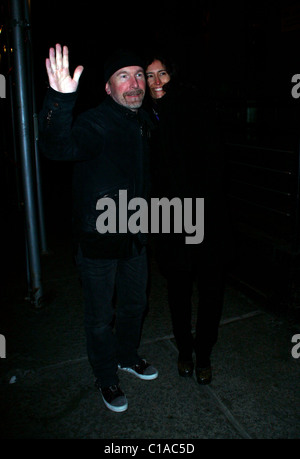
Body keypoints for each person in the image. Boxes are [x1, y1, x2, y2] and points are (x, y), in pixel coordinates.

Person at [38, 44, 158, 413]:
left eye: (139, 75)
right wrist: (59, 100)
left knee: (135, 305)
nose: (134, 83)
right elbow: (58, 147)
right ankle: (105, 374)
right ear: (108, 87)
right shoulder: (95, 122)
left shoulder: (146, 120)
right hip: (98, 238)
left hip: (136, 233)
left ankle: (126, 356)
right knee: (99, 316)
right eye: (123, 76)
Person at [145, 53, 232, 384]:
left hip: (205, 215)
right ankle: (184, 350)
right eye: (150, 75)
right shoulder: (146, 118)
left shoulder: (192, 105)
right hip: (170, 219)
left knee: (211, 289)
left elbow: (216, 162)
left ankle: (204, 354)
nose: (156, 81)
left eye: (162, 73)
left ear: (173, 75)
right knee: (178, 289)